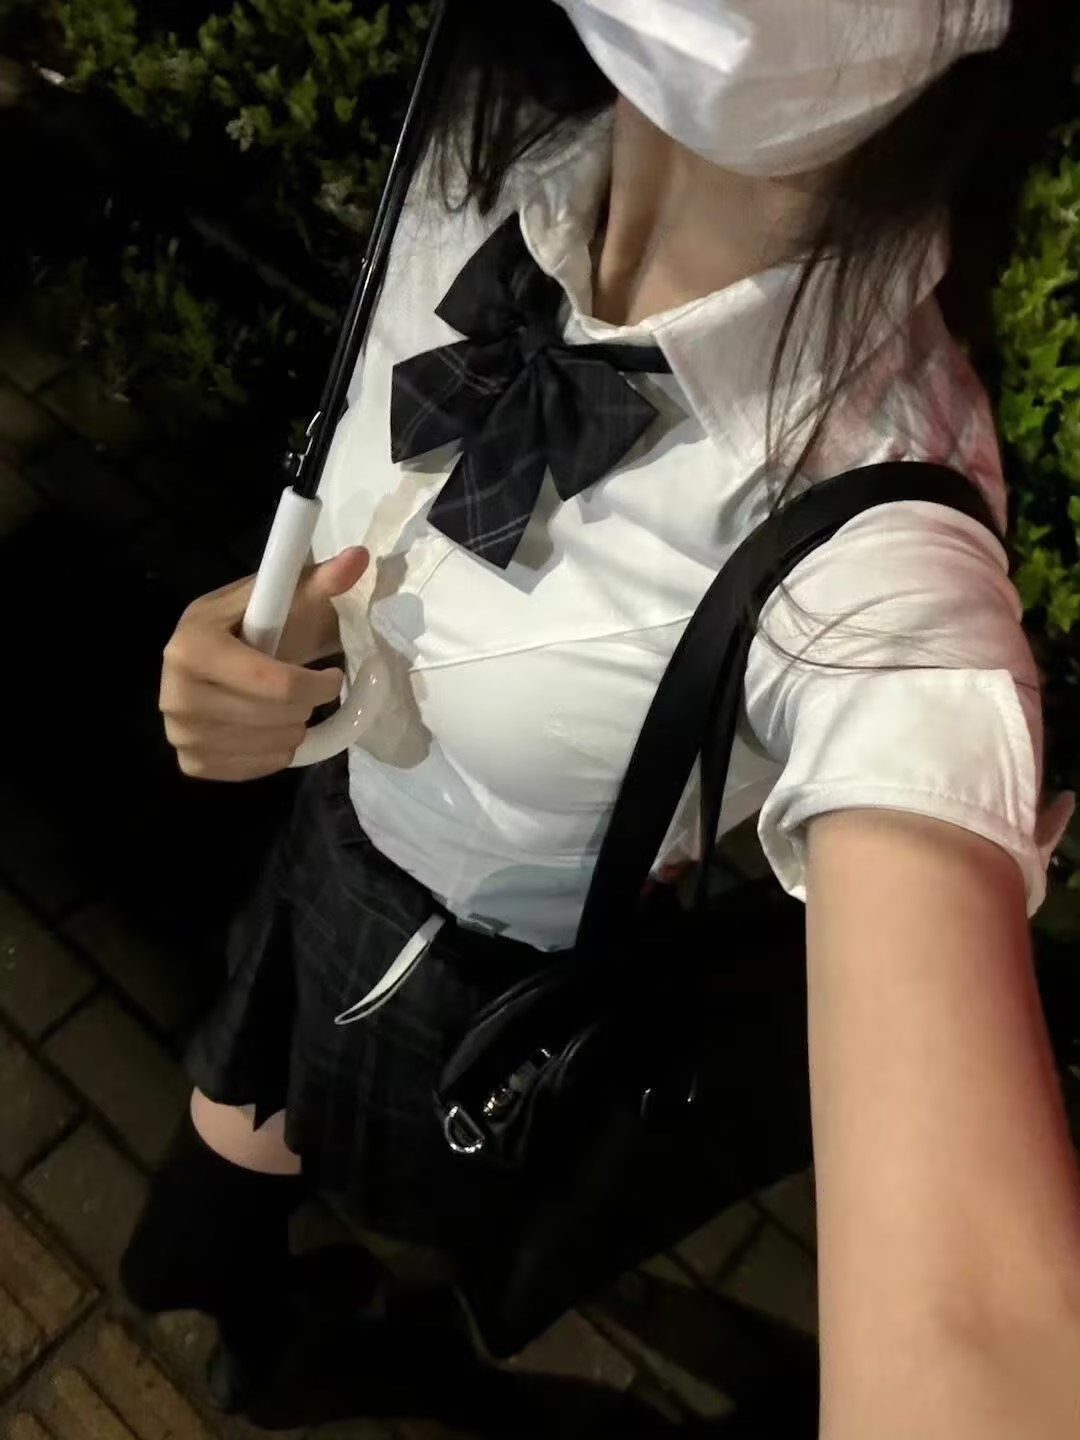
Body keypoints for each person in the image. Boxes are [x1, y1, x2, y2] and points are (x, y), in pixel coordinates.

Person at [122, 1, 1080, 1434]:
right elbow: (376, 546)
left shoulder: (881, 530)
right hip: (324, 833)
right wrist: (264, 645)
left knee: (359, 1239)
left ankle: (340, 1354)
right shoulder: (470, 157)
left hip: (476, 995)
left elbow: (977, 1338)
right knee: (203, 1216)